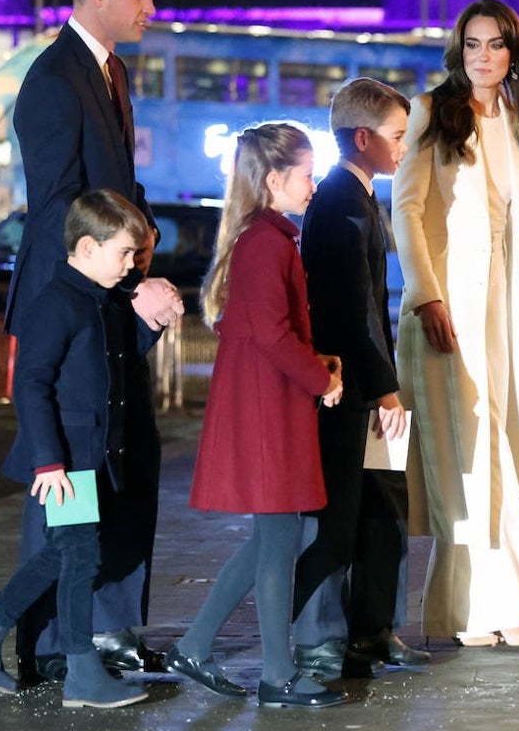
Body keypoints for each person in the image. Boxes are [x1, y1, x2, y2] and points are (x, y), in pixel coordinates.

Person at [7, 0, 184, 679]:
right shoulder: (54, 80)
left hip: (113, 306)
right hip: (76, 310)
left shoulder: (110, 73)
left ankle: (110, 631)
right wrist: (123, 283)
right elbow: (57, 212)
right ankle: (50, 643)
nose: (152, 6)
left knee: (129, 466)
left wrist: (149, 263)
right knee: (73, 480)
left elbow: (114, 197)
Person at [391, 0, 519, 647]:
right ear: (459, 50)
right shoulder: (432, 111)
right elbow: (408, 209)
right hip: (452, 306)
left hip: (502, 303)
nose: (483, 56)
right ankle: (501, 611)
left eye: (496, 44)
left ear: (512, 52)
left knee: (495, 442)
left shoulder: (514, 115)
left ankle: (481, 614)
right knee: (474, 450)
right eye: (473, 44)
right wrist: (426, 298)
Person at [0, 189, 158, 709]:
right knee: (78, 558)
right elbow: (31, 385)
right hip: (66, 462)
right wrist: (50, 461)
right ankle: (79, 670)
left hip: (84, 458)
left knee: (66, 555)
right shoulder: (58, 302)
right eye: (124, 254)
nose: (132, 264)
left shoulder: (96, 299)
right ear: (87, 248)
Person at [164, 122, 347, 709]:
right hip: (273, 407)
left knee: (276, 538)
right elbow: (272, 332)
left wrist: (313, 366)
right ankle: (275, 674)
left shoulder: (258, 237)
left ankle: (203, 648)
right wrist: (321, 379)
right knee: (278, 538)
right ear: (274, 179)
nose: (313, 185)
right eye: (305, 174)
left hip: (267, 401)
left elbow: (256, 326)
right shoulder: (269, 241)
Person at [291, 77, 430, 678]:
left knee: (380, 506)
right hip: (349, 389)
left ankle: (370, 630)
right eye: (398, 136)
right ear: (363, 137)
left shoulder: (351, 197)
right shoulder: (344, 202)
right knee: (343, 510)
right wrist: (386, 386)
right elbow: (354, 310)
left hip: (359, 384)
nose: (405, 147)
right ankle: (331, 638)